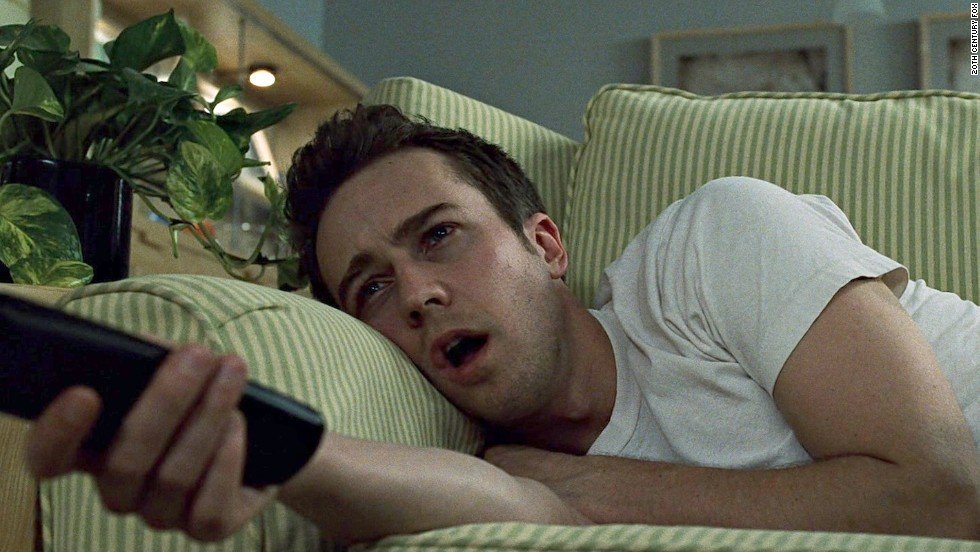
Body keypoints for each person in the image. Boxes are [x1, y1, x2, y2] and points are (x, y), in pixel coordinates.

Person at [25, 104, 979, 544]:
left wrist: (585, 485)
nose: (416, 294)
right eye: (369, 289)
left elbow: (939, 495)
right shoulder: (507, 470)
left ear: (546, 244)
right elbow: (484, 499)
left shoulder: (711, 243)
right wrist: (247, 443)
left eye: (440, 236)